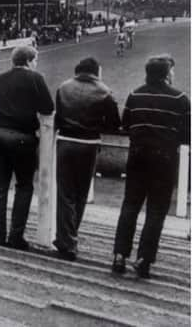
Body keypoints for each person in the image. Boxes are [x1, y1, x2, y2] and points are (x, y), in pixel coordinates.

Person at [112, 55, 190, 278]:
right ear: (166, 75)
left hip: (137, 156)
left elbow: (125, 124)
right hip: (164, 160)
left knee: (130, 206)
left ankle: (119, 255)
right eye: (171, 72)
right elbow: (188, 133)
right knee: (156, 210)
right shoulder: (181, 98)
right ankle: (144, 259)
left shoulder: (135, 94)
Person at [0, 45, 54, 249]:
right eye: (35, 60)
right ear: (28, 61)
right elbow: (48, 108)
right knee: (23, 186)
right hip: (21, 138)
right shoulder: (35, 78)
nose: (36, 64)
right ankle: (16, 237)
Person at [53, 58, 121, 261]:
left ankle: (66, 240)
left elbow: (58, 117)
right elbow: (113, 125)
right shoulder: (105, 91)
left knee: (65, 194)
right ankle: (70, 240)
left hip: (65, 142)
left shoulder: (63, 87)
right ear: (96, 71)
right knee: (81, 194)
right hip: (89, 145)